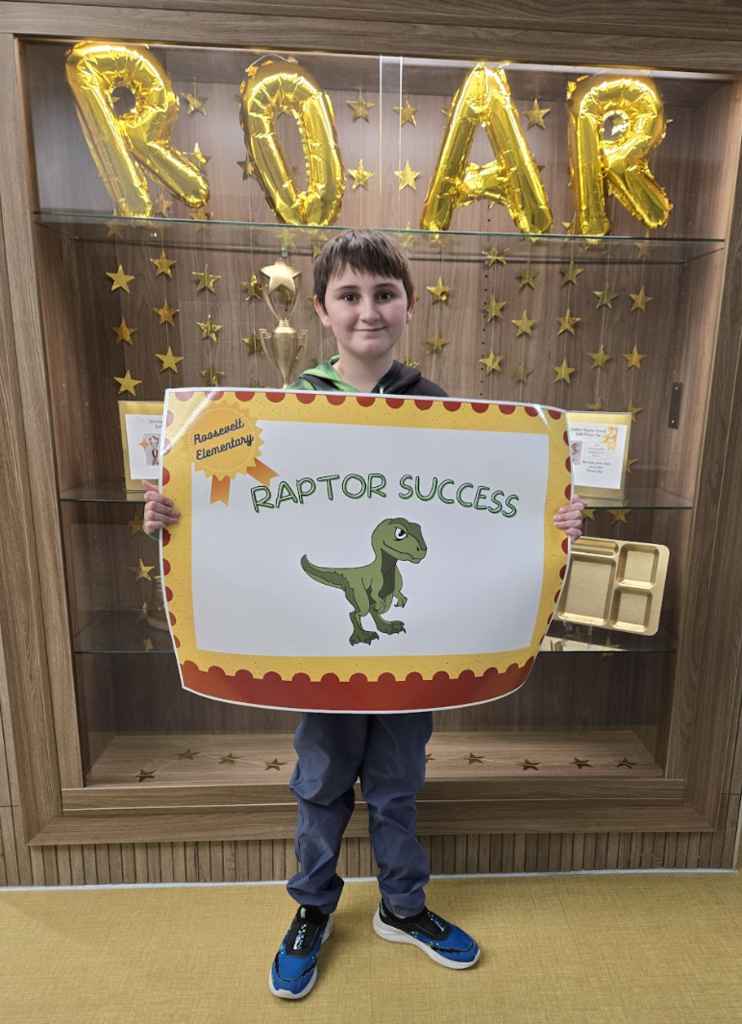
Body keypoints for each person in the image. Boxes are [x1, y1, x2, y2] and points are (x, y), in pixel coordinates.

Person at [144, 229, 585, 1000]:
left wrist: (554, 518)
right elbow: (234, 509)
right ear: (322, 310)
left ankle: (402, 907)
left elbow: (484, 515)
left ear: (409, 306)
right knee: (320, 782)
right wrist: (171, 511)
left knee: (397, 783)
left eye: (384, 294)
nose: (368, 311)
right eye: (349, 296)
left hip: (413, 651)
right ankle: (313, 907)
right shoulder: (279, 412)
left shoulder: (447, 413)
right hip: (318, 653)